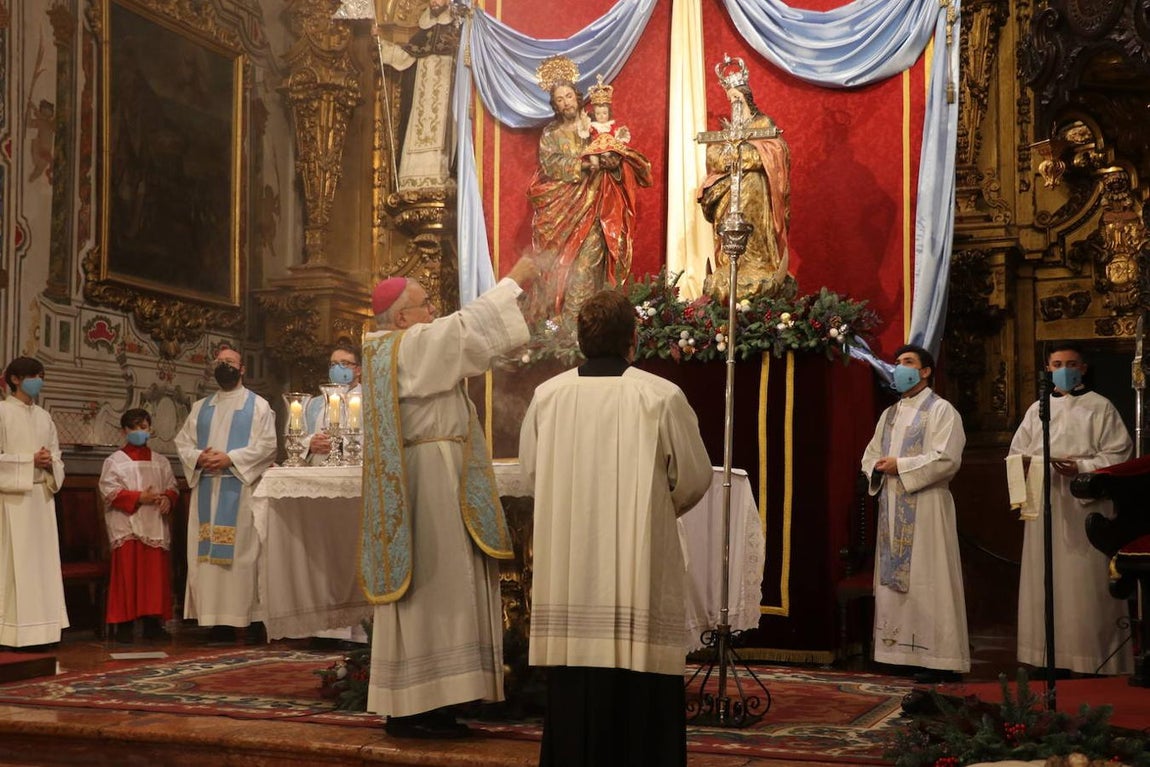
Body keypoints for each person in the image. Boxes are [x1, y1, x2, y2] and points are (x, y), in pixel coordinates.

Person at [519, 289, 713, 767]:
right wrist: (655, 511)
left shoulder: (548, 396)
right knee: (639, 687)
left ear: (580, 339)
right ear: (633, 338)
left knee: (576, 690)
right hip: (636, 568)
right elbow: (693, 477)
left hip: (570, 573)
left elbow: (532, 474)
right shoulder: (659, 395)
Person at [360, 256, 539, 739]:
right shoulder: (404, 346)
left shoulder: (399, 347)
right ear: (401, 317)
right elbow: (465, 329)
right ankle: (417, 706)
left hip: (438, 477)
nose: (433, 311)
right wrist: (513, 283)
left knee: (448, 587)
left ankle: (436, 702)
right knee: (437, 587)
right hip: (430, 487)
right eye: (425, 305)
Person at [1008, 343, 1133, 675]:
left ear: (1083, 368)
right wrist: (1028, 462)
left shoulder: (1100, 407)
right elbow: (1016, 451)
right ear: (1048, 369)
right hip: (1045, 500)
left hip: (1083, 504)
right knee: (1045, 578)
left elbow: (1119, 454)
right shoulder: (1037, 409)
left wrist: (1080, 466)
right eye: (1057, 364)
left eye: (1071, 364)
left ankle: (1091, 658)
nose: (1064, 369)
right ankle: (1046, 657)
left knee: (1084, 583)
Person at [860, 344, 970, 683]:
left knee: (930, 578)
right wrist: (878, 467)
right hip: (892, 504)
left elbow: (947, 458)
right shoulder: (890, 414)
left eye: (908, 362)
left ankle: (938, 658)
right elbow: (870, 455)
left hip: (927, 507)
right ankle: (897, 654)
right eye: (897, 363)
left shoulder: (942, 411)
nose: (900, 368)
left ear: (925, 371)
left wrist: (901, 465)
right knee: (895, 582)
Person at [528, 57, 651, 322]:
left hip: (595, 206)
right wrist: (582, 165)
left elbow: (615, 152)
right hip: (562, 211)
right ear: (554, 105)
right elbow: (550, 164)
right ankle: (563, 325)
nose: (566, 103)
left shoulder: (595, 125)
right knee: (562, 268)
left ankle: (581, 324)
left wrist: (613, 163)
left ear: (577, 96)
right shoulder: (551, 133)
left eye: (568, 96)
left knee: (585, 268)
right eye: (559, 99)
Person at [175, 345, 276, 644]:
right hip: (207, 489)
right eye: (219, 361)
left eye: (230, 362)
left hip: (241, 491)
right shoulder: (200, 408)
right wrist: (199, 457)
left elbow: (268, 446)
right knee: (208, 560)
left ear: (242, 369)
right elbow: (183, 443)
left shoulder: (258, 406)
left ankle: (251, 619)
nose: (224, 366)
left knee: (245, 557)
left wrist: (230, 458)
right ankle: (218, 623)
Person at [698, 55, 794, 301]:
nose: (735, 105)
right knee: (727, 210)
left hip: (755, 188)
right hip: (729, 186)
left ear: (747, 98)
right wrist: (728, 158)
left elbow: (775, 151)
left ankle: (758, 262)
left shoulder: (762, 123)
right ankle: (731, 264)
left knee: (751, 188)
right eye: (731, 100)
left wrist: (745, 157)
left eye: (738, 99)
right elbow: (714, 155)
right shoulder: (728, 130)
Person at [0, 357, 68, 649]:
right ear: (15, 379)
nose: (38, 381)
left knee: (42, 568)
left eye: (41, 375)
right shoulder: (2, 412)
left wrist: (50, 463)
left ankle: (43, 632)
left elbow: (57, 455)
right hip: (12, 501)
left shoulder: (44, 417)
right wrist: (29, 461)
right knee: (12, 567)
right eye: (32, 376)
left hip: (41, 499)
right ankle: (9, 633)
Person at [98, 408, 179, 643]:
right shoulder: (114, 461)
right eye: (134, 427)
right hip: (127, 525)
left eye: (143, 427)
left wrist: (167, 499)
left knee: (153, 577)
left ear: (150, 429)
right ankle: (124, 625)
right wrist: (139, 497)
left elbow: (172, 487)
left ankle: (153, 624)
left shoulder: (161, 461)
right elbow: (109, 491)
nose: (139, 431)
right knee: (127, 575)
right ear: (124, 431)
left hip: (154, 522)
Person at [377, 0, 460, 192]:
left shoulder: (457, 30)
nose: (435, 2)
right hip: (422, 97)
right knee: (418, 126)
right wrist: (379, 43)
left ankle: (444, 176)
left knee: (445, 132)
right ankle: (412, 175)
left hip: (446, 98)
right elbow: (404, 56)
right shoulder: (424, 33)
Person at [304, 342, 362, 464]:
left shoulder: (370, 402)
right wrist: (309, 444)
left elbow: (377, 441)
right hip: (318, 470)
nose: (337, 369)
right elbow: (295, 438)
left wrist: (339, 445)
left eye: (344, 363)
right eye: (333, 364)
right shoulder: (313, 404)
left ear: (358, 370)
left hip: (354, 470)